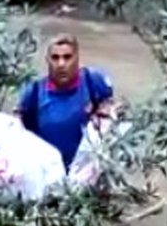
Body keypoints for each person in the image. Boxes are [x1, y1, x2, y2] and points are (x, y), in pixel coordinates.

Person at [18, 33, 113, 170]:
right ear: (47, 60)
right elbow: (16, 134)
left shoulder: (94, 82)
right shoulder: (33, 93)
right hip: (47, 176)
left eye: (67, 57)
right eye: (55, 58)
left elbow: (116, 112)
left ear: (77, 58)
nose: (61, 64)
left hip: (87, 175)